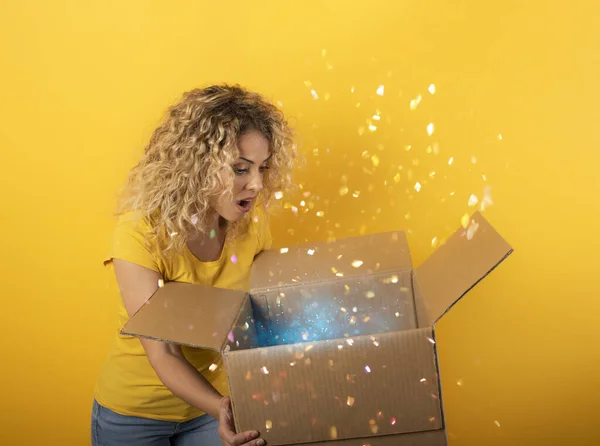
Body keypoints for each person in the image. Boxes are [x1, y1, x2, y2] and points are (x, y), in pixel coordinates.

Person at [92, 84, 296, 446]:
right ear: (196, 164)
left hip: (213, 409)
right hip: (134, 415)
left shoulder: (251, 226)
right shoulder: (140, 231)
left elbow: (263, 316)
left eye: (262, 168)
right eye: (240, 168)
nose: (256, 184)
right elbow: (164, 351)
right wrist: (221, 408)